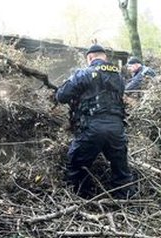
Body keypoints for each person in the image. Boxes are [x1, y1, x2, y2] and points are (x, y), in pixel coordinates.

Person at [56, 44, 136, 198]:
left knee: (75, 167)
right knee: (122, 172)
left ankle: (78, 202)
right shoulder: (118, 76)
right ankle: (128, 206)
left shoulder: (84, 73)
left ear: (90, 58)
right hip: (117, 129)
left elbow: (61, 96)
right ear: (104, 57)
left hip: (92, 128)